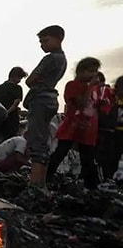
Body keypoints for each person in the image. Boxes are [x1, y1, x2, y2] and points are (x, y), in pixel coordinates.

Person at [47, 57, 101, 190]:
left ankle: (92, 188)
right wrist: (90, 87)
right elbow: (81, 102)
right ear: (81, 71)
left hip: (87, 129)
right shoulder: (72, 85)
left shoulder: (95, 89)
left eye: (95, 72)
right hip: (72, 127)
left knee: (87, 159)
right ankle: (46, 178)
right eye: (90, 71)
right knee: (60, 153)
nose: (93, 75)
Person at [24, 25, 67, 187]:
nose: (43, 45)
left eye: (46, 40)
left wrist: (35, 80)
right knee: (43, 141)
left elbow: (29, 81)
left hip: (41, 99)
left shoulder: (51, 58)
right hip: (51, 99)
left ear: (59, 38)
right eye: (41, 42)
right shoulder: (62, 59)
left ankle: (35, 184)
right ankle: (40, 184)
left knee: (37, 142)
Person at [0, 67, 27, 141]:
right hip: (11, 120)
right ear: (15, 76)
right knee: (10, 141)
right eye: (19, 78)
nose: (20, 81)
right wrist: (6, 113)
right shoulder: (17, 88)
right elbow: (15, 104)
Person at [93, 72, 117, 179]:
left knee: (104, 156)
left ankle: (105, 178)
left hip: (104, 128)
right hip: (101, 128)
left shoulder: (106, 92)